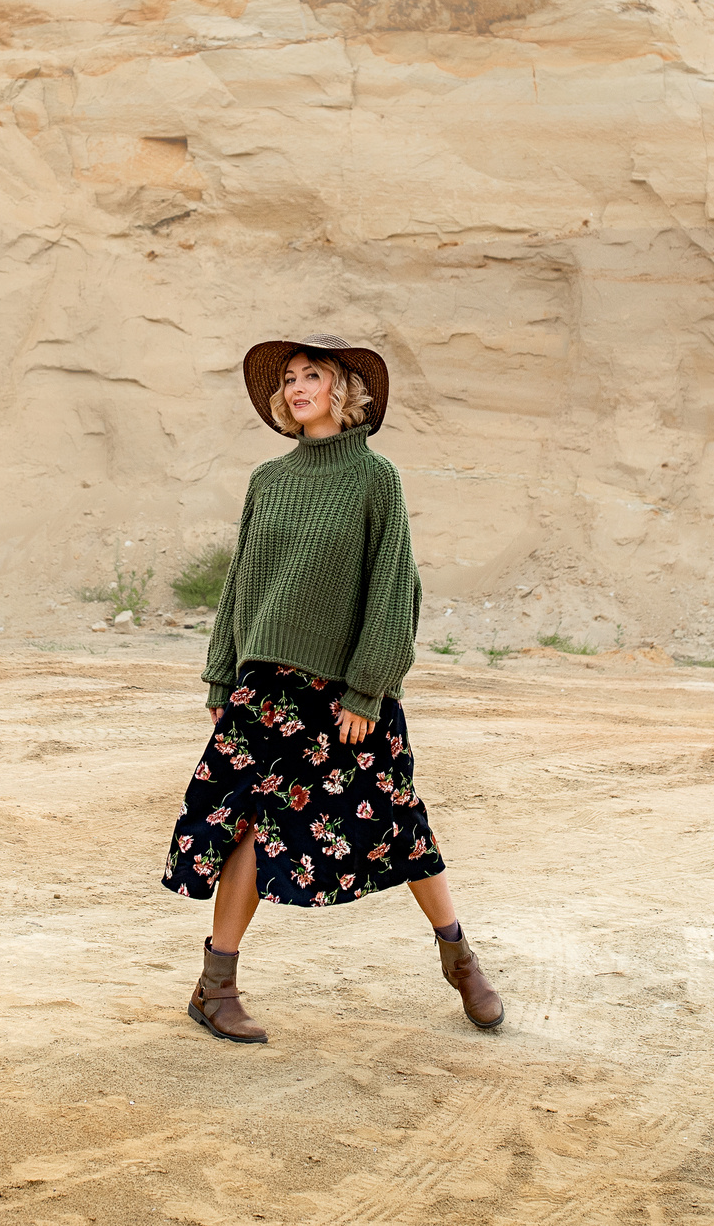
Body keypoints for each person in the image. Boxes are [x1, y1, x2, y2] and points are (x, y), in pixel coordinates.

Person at [160, 333, 504, 1043]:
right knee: (250, 823)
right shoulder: (269, 480)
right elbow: (241, 583)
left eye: (310, 374)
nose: (295, 387)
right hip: (266, 686)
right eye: (287, 378)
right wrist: (224, 671)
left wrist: (366, 690)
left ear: (343, 390)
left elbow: (393, 587)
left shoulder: (375, 479)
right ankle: (215, 985)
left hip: (346, 691)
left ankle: (459, 957)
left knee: (399, 821)